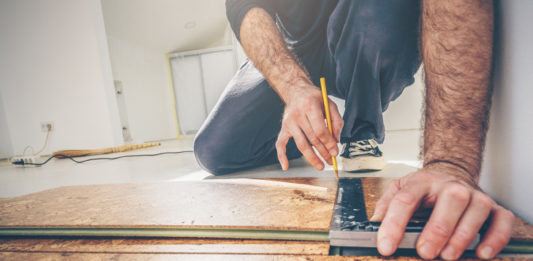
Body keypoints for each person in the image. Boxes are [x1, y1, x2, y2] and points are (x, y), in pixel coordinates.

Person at [194, 0, 515, 259]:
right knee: (213, 150)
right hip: (296, 49)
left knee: (374, 10)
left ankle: (362, 128)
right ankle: (311, 129)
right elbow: (242, 5)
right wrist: (293, 88)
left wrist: (451, 164)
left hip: (371, 24)